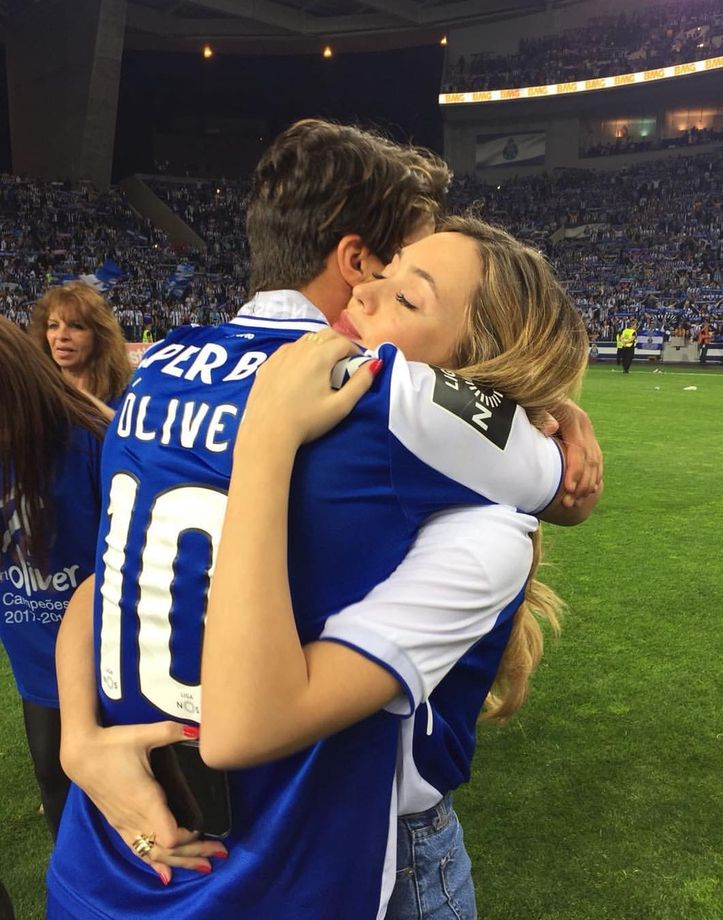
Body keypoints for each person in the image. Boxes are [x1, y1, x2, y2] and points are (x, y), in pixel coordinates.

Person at [48, 121, 601, 918]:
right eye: (396, 268)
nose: (379, 292)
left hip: (112, 852)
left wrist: (79, 739)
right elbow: (567, 487)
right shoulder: (384, 393)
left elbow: (105, 586)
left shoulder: (159, 367)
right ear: (355, 262)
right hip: (298, 858)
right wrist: (556, 421)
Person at [0, 317, 107, 838]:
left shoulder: (87, 441)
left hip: (108, 658)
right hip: (35, 655)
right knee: (53, 775)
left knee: (123, 790)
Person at [28, 281, 131, 407]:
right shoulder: (35, 402)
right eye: (53, 326)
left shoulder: (128, 403)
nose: (61, 336)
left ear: (100, 336)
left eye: (76, 326)